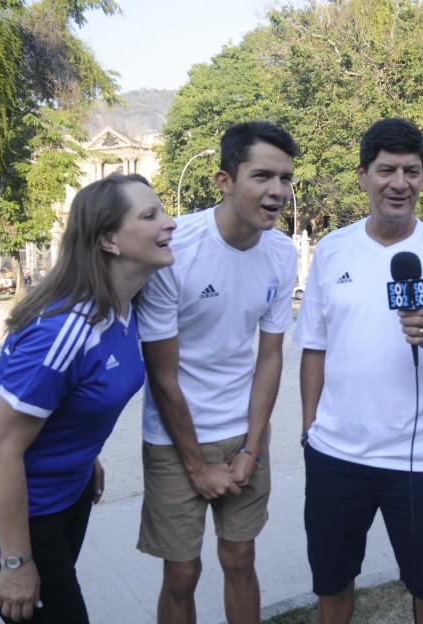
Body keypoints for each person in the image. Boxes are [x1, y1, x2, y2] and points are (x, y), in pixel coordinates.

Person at [0, 173, 176, 623]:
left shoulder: (127, 307)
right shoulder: (65, 330)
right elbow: (1, 448)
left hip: (67, 494)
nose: (170, 224)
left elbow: (70, 401)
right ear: (109, 240)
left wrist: (82, 454)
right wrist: (14, 562)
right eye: (151, 215)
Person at [293, 118, 423, 624]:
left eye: (411, 171)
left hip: (421, 458)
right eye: (386, 170)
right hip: (336, 455)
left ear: (422, 179)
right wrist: (310, 430)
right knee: (332, 584)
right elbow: (313, 347)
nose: (399, 183)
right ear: (363, 177)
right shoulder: (333, 250)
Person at [135, 121, 298, 624]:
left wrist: (252, 447)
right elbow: (162, 374)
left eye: (286, 179)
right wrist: (196, 465)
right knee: (182, 573)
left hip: (243, 434)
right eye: (263, 176)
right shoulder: (174, 249)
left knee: (239, 558)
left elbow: (269, 357)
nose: (277, 191)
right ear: (223, 181)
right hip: (173, 438)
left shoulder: (282, 253)